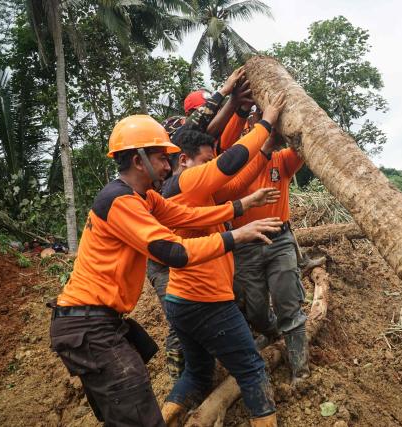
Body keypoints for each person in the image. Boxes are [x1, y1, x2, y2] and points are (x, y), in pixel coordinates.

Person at [48, 114, 282, 426]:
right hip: (90, 328)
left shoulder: (143, 197)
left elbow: (184, 216)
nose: (167, 165)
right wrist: (237, 235)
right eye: (161, 158)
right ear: (138, 160)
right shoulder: (120, 201)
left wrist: (241, 207)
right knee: (141, 417)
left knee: (135, 411)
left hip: (98, 324)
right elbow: (174, 253)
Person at [160, 92, 287, 427]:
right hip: (206, 300)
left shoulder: (195, 191)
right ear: (184, 160)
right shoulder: (186, 181)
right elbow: (229, 164)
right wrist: (266, 122)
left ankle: (164, 419)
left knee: (198, 374)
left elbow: (237, 183)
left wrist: (265, 152)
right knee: (251, 367)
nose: (211, 165)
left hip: (181, 299)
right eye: (205, 160)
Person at [147, 70, 254, 381]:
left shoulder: (196, 161)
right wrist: (227, 97)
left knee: (229, 297)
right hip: (165, 256)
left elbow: (216, 136)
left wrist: (239, 107)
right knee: (180, 322)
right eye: (200, 112)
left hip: (192, 246)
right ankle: (184, 381)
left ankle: (214, 366)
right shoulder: (172, 141)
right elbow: (193, 132)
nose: (207, 118)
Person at [225, 114, 310, 386]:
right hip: (244, 248)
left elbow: (303, 143)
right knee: (256, 310)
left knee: (288, 303)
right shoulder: (232, 166)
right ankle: (272, 332)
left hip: (279, 241)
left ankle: (301, 371)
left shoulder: (282, 159)